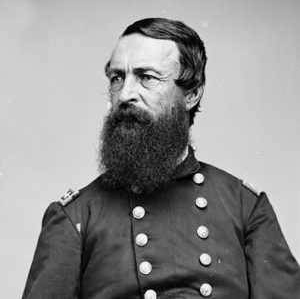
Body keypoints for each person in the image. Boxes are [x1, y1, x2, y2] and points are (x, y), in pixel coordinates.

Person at [23, 18, 300, 299]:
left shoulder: (244, 207)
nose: (126, 94)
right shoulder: (76, 217)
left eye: (147, 77)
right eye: (117, 78)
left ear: (191, 94)